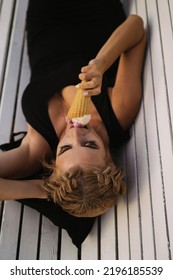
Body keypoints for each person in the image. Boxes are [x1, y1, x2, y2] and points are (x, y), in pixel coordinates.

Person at [0, 0, 146, 218]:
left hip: (44, 20)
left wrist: (44, 190)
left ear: (52, 166)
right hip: (96, 14)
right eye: (90, 144)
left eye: (65, 148)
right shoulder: (119, 110)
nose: (75, 131)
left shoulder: (36, 149)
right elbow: (136, 25)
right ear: (108, 154)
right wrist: (100, 63)